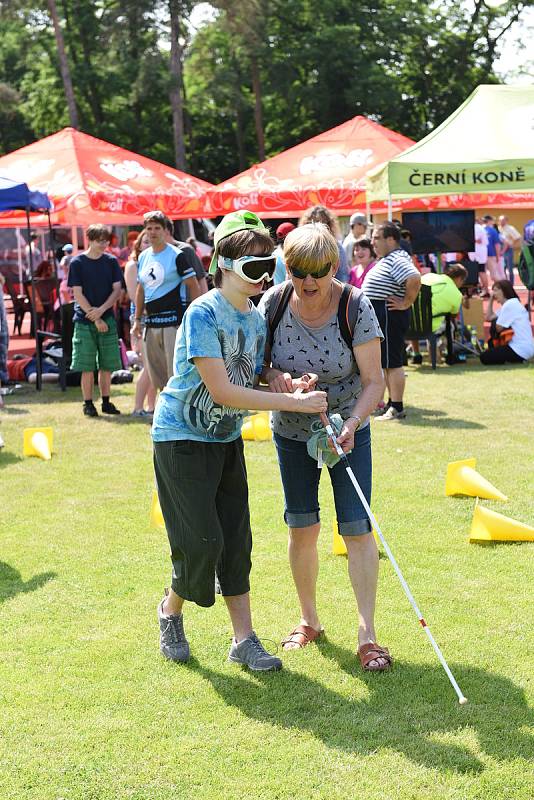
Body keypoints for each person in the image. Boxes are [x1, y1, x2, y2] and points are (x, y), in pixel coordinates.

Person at [152, 210, 327, 670]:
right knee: (202, 543)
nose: (265, 276)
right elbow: (223, 390)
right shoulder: (203, 312)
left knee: (236, 541)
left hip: (224, 438)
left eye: (269, 266)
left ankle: (243, 639)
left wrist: (283, 381)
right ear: (224, 266)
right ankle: (170, 609)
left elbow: (252, 371)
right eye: (254, 267)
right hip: (181, 439)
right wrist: (293, 405)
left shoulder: (254, 318)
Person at [259, 223, 390, 671]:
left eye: (318, 272)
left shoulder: (356, 305)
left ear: (334, 266)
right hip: (293, 434)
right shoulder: (273, 302)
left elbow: (375, 382)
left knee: (356, 529)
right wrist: (278, 379)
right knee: (302, 528)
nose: (308, 283)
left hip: (347, 432)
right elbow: (257, 367)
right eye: (298, 271)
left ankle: (367, 635)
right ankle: (309, 620)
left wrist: (353, 422)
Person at [131, 211, 201, 391]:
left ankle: (178, 417)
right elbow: (140, 290)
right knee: (158, 378)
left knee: (175, 376)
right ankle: (164, 417)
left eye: (157, 228)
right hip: (151, 324)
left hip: (173, 324)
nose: (152, 232)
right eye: (149, 229)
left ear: (165, 230)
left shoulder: (177, 255)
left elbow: (193, 285)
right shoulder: (144, 256)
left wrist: (193, 318)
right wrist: (137, 320)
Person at [362, 222, 421, 421]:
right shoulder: (389, 258)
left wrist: (406, 303)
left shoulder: (397, 257)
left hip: (389, 314)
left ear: (391, 239)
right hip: (383, 314)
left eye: (376, 238)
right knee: (386, 363)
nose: (372, 242)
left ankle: (397, 407)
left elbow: (414, 278)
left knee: (392, 363)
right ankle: (390, 404)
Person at [67, 225, 123, 417]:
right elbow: (77, 293)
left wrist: (101, 310)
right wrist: (95, 315)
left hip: (105, 317)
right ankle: (88, 403)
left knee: (107, 365)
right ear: (90, 239)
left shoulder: (111, 261)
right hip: (85, 321)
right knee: (87, 366)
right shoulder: (77, 262)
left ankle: (106, 402)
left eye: (106, 240)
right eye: (100, 240)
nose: (104, 244)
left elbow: (117, 290)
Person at [124, 232, 156, 417]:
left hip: (154, 319)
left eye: (151, 240)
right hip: (141, 319)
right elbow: (132, 296)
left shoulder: (155, 262)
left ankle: (151, 407)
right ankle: (137, 407)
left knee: (154, 366)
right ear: (138, 244)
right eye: (145, 241)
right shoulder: (133, 265)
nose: (149, 243)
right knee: (148, 366)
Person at [480, 280, 534, 366]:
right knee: (491, 348)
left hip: (519, 349)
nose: (494, 293)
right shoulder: (512, 303)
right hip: (524, 348)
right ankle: (512, 359)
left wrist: (496, 321)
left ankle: (513, 359)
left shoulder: (510, 304)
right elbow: (488, 317)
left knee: (484, 357)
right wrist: (490, 300)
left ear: (504, 291)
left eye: (496, 290)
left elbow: (498, 328)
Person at [300, 205, 349, 283]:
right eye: (313, 222)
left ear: (329, 225)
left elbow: (343, 276)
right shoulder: (300, 247)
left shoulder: (337, 248)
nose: (318, 227)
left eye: (323, 223)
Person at [498, 215, 522, 286]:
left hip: (508, 250)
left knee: (510, 268)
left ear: (506, 221)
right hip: (500, 249)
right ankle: (504, 284)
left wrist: (512, 245)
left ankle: (511, 284)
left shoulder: (510, 228)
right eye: (500, 220)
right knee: (502, 269)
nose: (501, 222)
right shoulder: (498, 228)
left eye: (503, 220)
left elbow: (518, 237)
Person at [470, 217, 490, 297]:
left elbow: (477, 240)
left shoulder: (476, 228)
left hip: (477, 252)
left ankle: (484, 290)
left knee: (480, 272)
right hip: (480, 252)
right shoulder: (480, 227)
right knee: (481, 271)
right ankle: (483, 290)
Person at [483, 215, 504, 285]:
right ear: (490, 221)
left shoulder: (482, 229)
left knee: (482, 273)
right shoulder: (493, 230)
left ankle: (485, 289)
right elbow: (497, 244)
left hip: (482, 255)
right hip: (491, 255)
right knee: (494, 274)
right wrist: (498, 256)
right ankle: (502, 287)